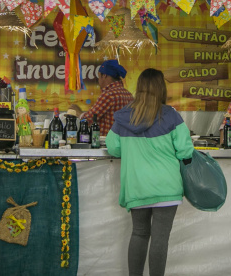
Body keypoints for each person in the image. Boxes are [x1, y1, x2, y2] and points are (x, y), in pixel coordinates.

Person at [107, 69, 194, 276]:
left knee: (139, 234)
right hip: (167, 186)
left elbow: (113, 148)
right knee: (160, 239)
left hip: (137, 187)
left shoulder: (123, 117)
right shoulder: (171, 115)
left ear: (139, 88)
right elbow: (185, 150)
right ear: (161, 88)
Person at [81, 59, 134, 135]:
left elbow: (89, 118)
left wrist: (78, 113)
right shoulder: (129, 95)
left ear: (104, 75)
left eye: (99, 77)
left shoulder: (108, 95)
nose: (98, 81)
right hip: (125, 141)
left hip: (108, 143)